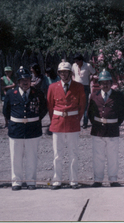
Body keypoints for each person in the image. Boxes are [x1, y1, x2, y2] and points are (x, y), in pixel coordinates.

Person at [3, 66, 47, 191]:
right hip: (16, 129)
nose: (25, 82)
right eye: (22, 80)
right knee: (15, 157)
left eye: (27, 79)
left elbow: (44, 109)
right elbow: (6, 111)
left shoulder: (37, 93)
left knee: (32, 156)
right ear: (18, 82)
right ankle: (16, 181)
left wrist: (35, 119)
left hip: (33, 129)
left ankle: (31, 181)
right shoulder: (11, 94)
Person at [47, 61, 86, 190]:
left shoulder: (78, 87)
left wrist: (76, 119)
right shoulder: (52, 87)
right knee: (57, 154)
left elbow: (82, 106)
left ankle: (73, 180)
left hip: (72, 124)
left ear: (71, 73)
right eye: (61, 72)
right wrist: (56, 119)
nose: (64, 74)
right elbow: (50, 107)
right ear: (58, 73)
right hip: (58, 124)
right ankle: (57, 180)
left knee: (73, 153)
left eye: (66, 72)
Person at [88, 69, 124, 187]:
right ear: (99, 83)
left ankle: (113, 179)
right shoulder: (94, 95)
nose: (105, 85)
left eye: (107, 82)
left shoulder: (118, 96)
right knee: (98, 156)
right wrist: (97, 124)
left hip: (112, 129)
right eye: (102, 82)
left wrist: (114, 123)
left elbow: (122, 113)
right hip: (98, 130)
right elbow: (90, 113)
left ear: (111, 83)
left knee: (113, 156)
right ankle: (98, 179)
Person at [72, 53, 96, 129]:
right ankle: (76, 122)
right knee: (76, 105)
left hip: (84, 87)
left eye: (78, 61)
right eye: (75, 61)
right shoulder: (74, 66)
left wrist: (90, 79)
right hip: (76, 87)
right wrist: (73, 79)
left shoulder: (87, 65)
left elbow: (94, 73)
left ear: (81, 60)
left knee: (85, 106)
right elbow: (72, 73)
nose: (76, 63)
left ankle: (85, 123)